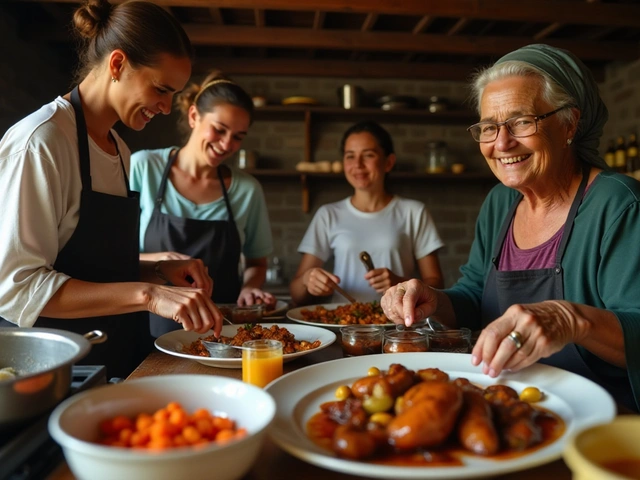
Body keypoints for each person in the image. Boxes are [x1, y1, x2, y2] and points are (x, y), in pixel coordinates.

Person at [381, 44, 640, 412]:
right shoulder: (500, 202)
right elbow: (475, 296)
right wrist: (435, 300)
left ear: (570, 124)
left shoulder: (618, 203)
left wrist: (569, 319)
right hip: (503, 404)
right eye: (489, 127)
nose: (502, 143)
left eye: (522, 121)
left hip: (599, 420)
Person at [0, 0, 223, 379]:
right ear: (118, 64)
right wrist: (150, 295)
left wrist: (159, 274)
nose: (167, 108)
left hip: (112, 356)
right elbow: (17, 286)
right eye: (161, 89)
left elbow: (91, 268)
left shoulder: (117, 148)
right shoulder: (41, 142)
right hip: (50, 373)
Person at [130, 71, 274, 338]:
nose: (226, 144)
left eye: (238, 137)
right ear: (194, 116)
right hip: (149, 329)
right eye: (219, 130)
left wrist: (250, 287)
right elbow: (112, 257)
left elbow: (257, 262)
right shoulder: (143, 168)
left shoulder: (247, 190)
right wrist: (159, 261)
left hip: (222, 333)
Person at [290, 121, 444, 306]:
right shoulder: (328, 214)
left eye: (368, 155)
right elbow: (297, 295)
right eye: (350, 156)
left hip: (399, 325)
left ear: (388, 162)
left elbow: (437, 286)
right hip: (344, 324)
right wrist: (308, 280)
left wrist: (402, 285)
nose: (358, 165)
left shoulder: (414, 212)